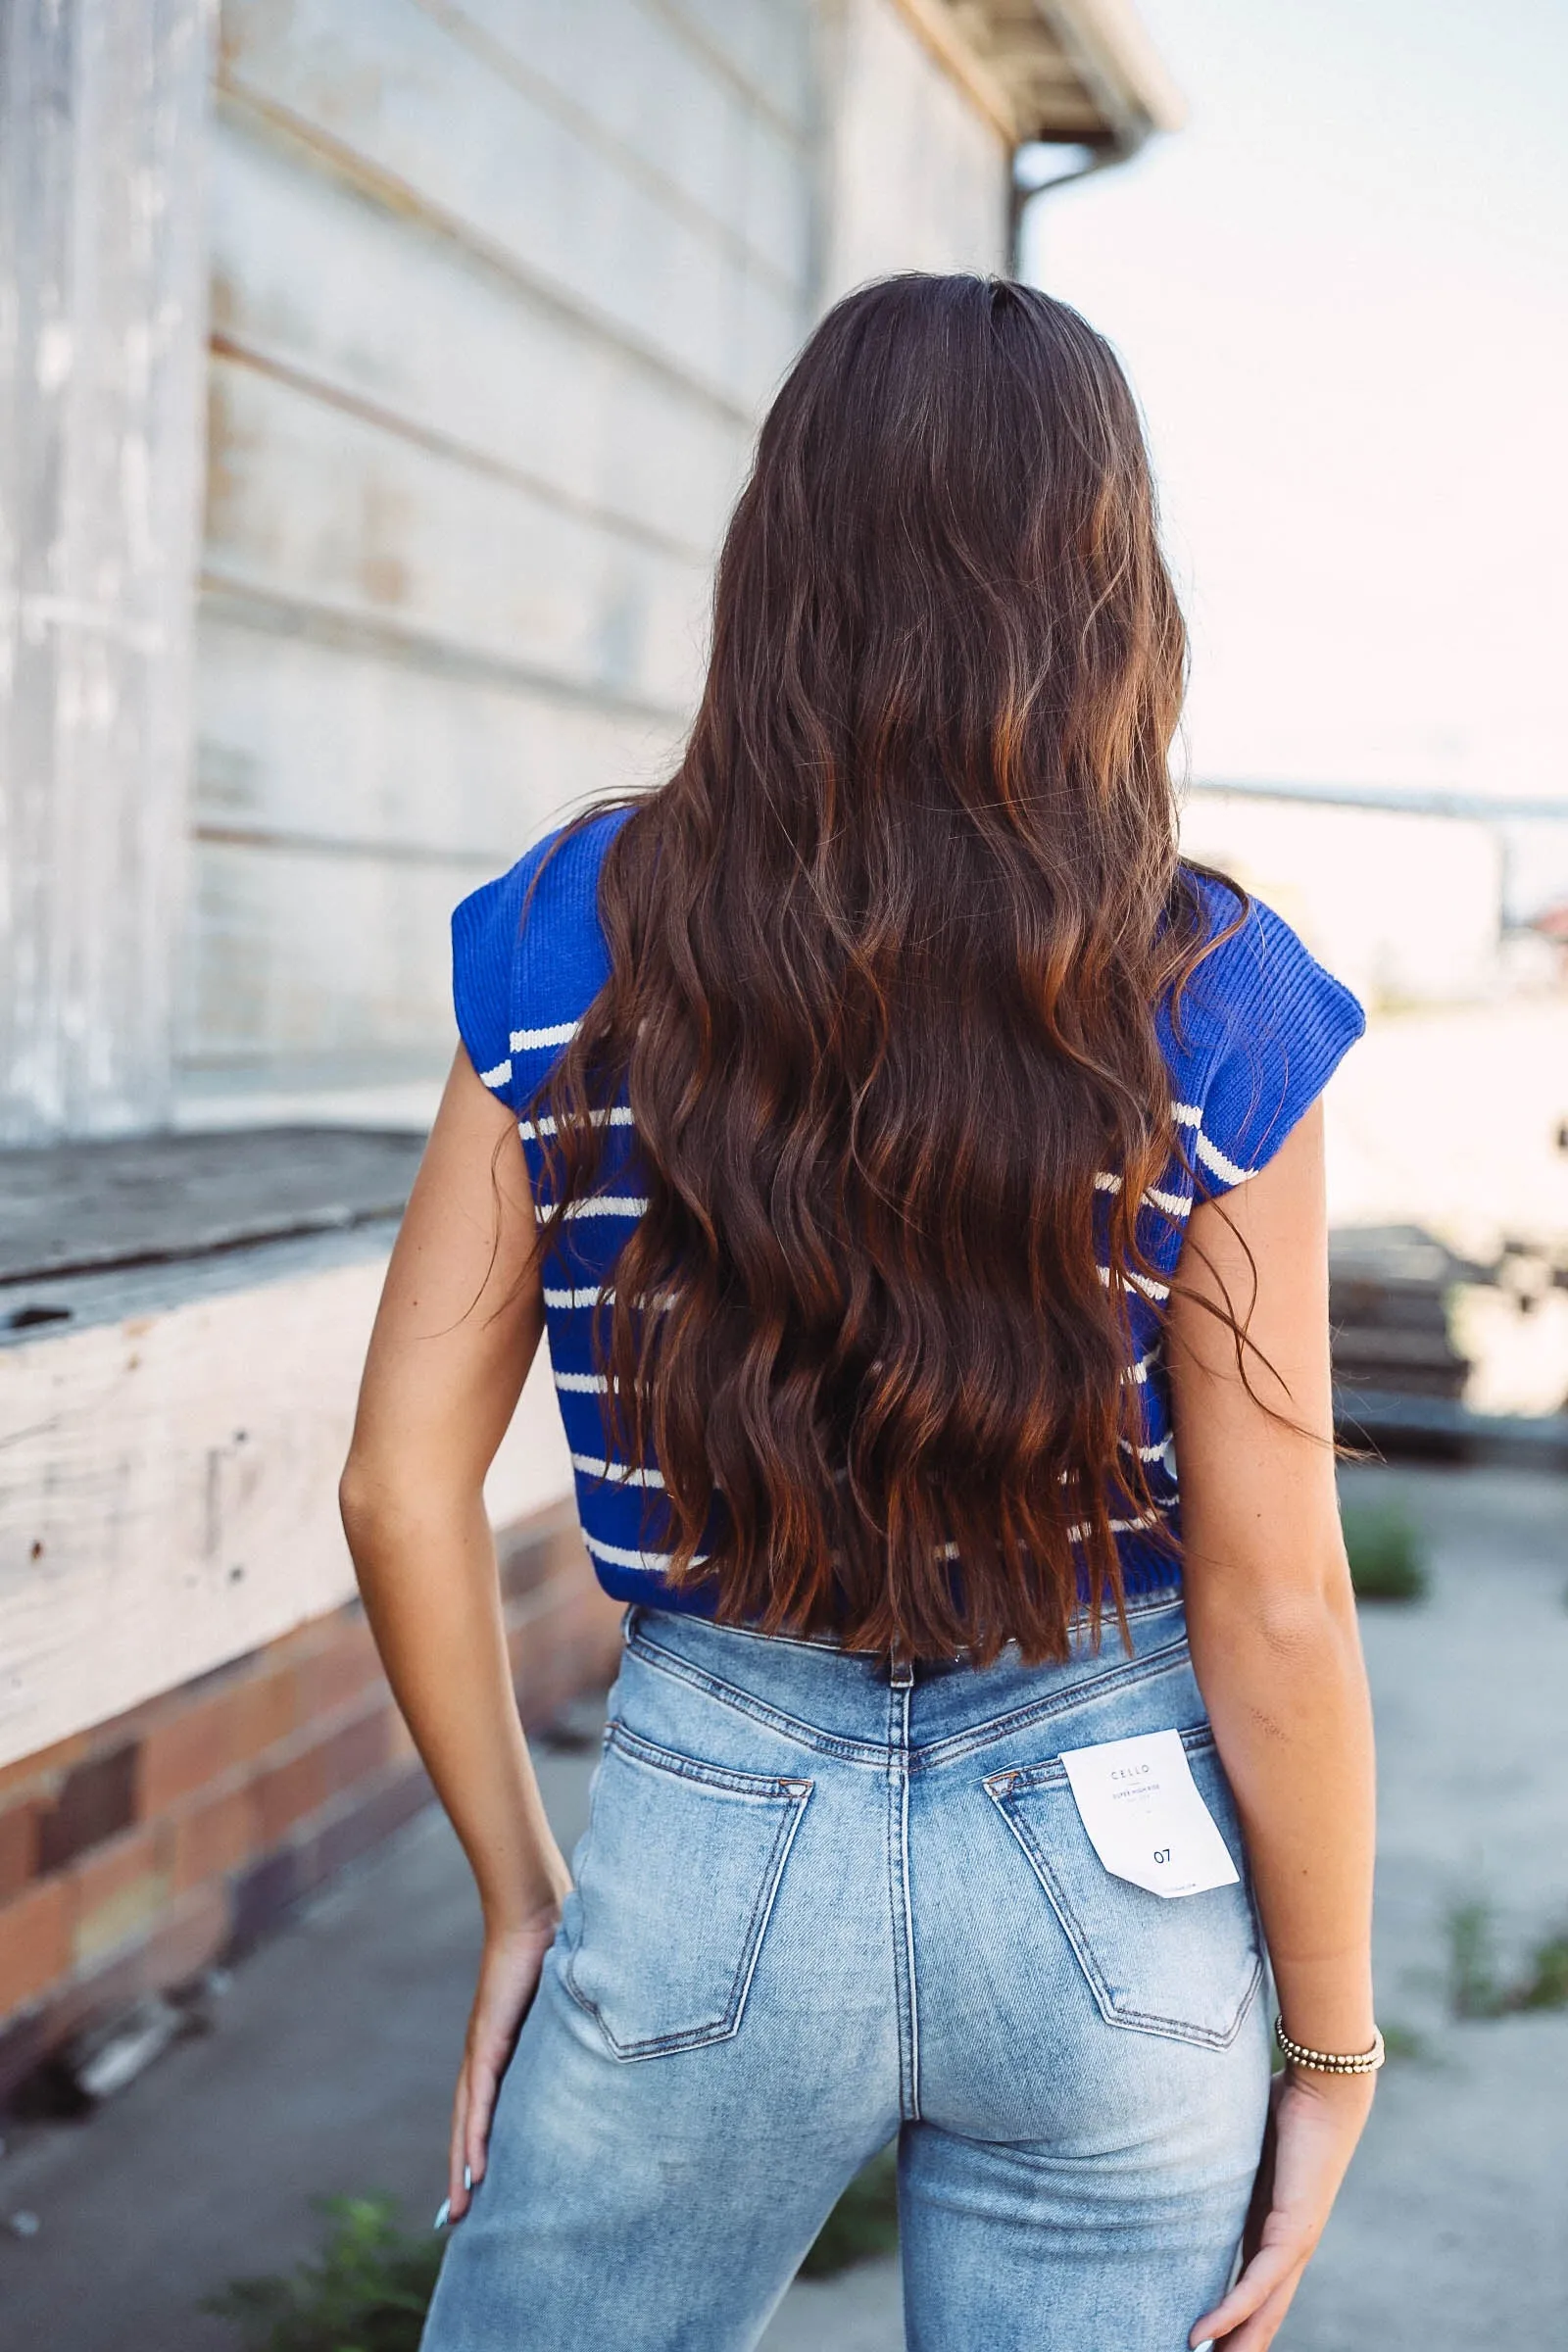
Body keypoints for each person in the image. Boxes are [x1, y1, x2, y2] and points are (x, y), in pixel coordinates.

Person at [339, 274, 1379, 2352]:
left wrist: (515, 1892)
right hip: (1113, 1860)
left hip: (711, 1820)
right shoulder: (1214, 989)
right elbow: (1272, 1600)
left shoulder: (563, 935)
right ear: (1102, 582)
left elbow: (390, 1488)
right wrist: (1330, 2050)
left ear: (775, 554)